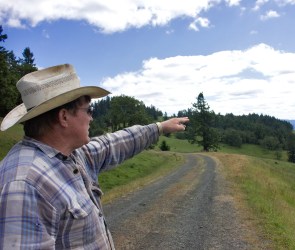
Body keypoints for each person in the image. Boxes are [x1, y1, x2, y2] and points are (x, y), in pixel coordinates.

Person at [0, 64, 189, 249]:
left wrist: (160, 127)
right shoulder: (24, 184)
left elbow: (113, 143)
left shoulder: (73, 154)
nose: (92, 117)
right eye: (89, 110)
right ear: (64, 117)